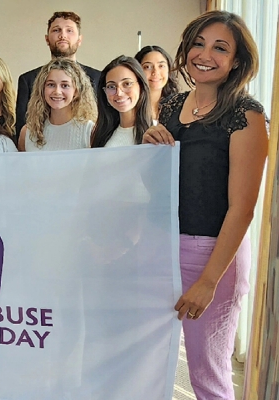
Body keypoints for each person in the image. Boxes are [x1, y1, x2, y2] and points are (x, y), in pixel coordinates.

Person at [142, 11, 267, 399]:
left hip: (213, 256)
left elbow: (242, 209)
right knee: (148, 363)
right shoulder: (171, 105)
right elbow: (160, 189)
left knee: (207, 377)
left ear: (237, 61)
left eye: (220, 47)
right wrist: (151, 151)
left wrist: (208, 282)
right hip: (164, 248)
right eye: (199, 42)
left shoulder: (246, 114)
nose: (205, 54)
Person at [15, 11, 101, 135]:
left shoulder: (98, 77)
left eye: (69, 31)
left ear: (80, 39)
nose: (62, 35)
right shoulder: (28, 79)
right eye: (56, 30)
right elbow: (22, 128)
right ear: (47, 39)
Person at [18, 58, 96, 152]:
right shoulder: (27, 132)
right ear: (42, 89)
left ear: (76, 91)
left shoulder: (89, 131)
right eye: (51, 85)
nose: (57, 92)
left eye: (65, 85)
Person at [91, 56, 152, 148]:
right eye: (111, 86)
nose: (119, 93)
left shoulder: (155, 133)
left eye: (127, 84)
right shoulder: (100, 134)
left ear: (141, 86)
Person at [134, 45, 179, 122]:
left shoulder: (178, 106)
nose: (155, 72)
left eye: (161, 66)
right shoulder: (129, 107)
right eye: (147, 67)